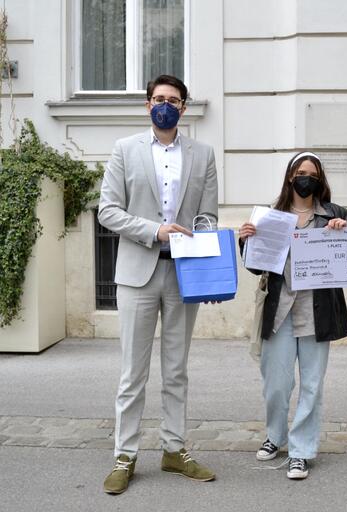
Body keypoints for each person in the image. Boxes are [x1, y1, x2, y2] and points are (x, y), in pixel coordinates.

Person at [98, 74, 218, 494]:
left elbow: (208, 217)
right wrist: (156, 230)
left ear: (184, 108)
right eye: (158, 98)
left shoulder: (203, 154)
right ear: (148, 104)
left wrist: (203, 245)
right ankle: (124, 456)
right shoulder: (125, 150)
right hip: (138, 271)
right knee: (133, 371)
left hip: (184, 276)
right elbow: (107, 211)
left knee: (176, 369)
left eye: (173, 100)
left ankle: (173, 449)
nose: (165, 105)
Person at [238, 151, 347, 480]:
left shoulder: (334, 213)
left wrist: (341, 230)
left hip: (317, 310)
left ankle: (301, 451)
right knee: (276, 383)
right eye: (300, 172)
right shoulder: (271, 216)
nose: (306, 177)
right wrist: (246, 241)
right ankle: (275, 436)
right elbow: (255, 265)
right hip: (279, 310)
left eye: (312, 173)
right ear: (290, 177)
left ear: (320, 180)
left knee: (312, 386)